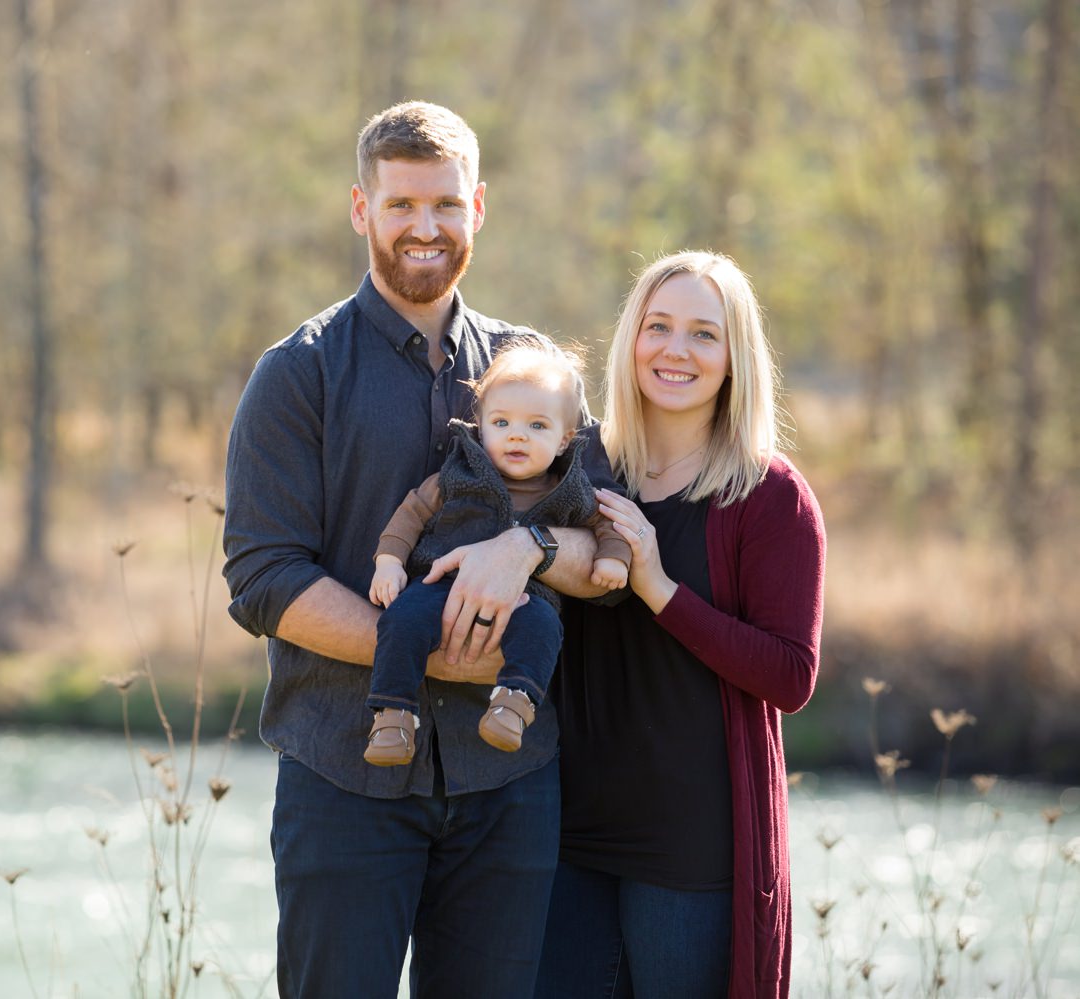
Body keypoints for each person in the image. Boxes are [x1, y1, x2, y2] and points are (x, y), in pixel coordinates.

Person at [222, 102, 613, 998]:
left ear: (479, 205)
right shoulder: (299, 372)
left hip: (507, 781)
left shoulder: (535, 374)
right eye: (401, 205)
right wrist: (429, 654)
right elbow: (261, 576)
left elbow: (602, 544)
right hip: (342, 770)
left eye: (444, 203)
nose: (424, 227)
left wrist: (531, 546)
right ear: (362, 209)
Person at [535, 250, 826, 999]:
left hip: (693, 856)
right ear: (632, 338)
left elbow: (791, 676)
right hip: (569, 833)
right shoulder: (582, 468)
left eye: (704, 333)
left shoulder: (769, 497)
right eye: (658, 326)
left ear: (735, 358)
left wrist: (659, 588)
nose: (675, 349)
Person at [364, 337, 630, 766]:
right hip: (440, 584)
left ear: (564, 440)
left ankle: (514, 703)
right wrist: (389, 561)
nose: (517, 436)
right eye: (502, 423)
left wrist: (613, 557)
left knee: (544, 630)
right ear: (481, 425)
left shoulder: (569, 487)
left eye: (537, 427)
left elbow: (605, 521)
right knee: (401, 621)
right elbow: (413, 511)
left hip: (525, 599)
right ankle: (392, 713)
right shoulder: (460, 470)